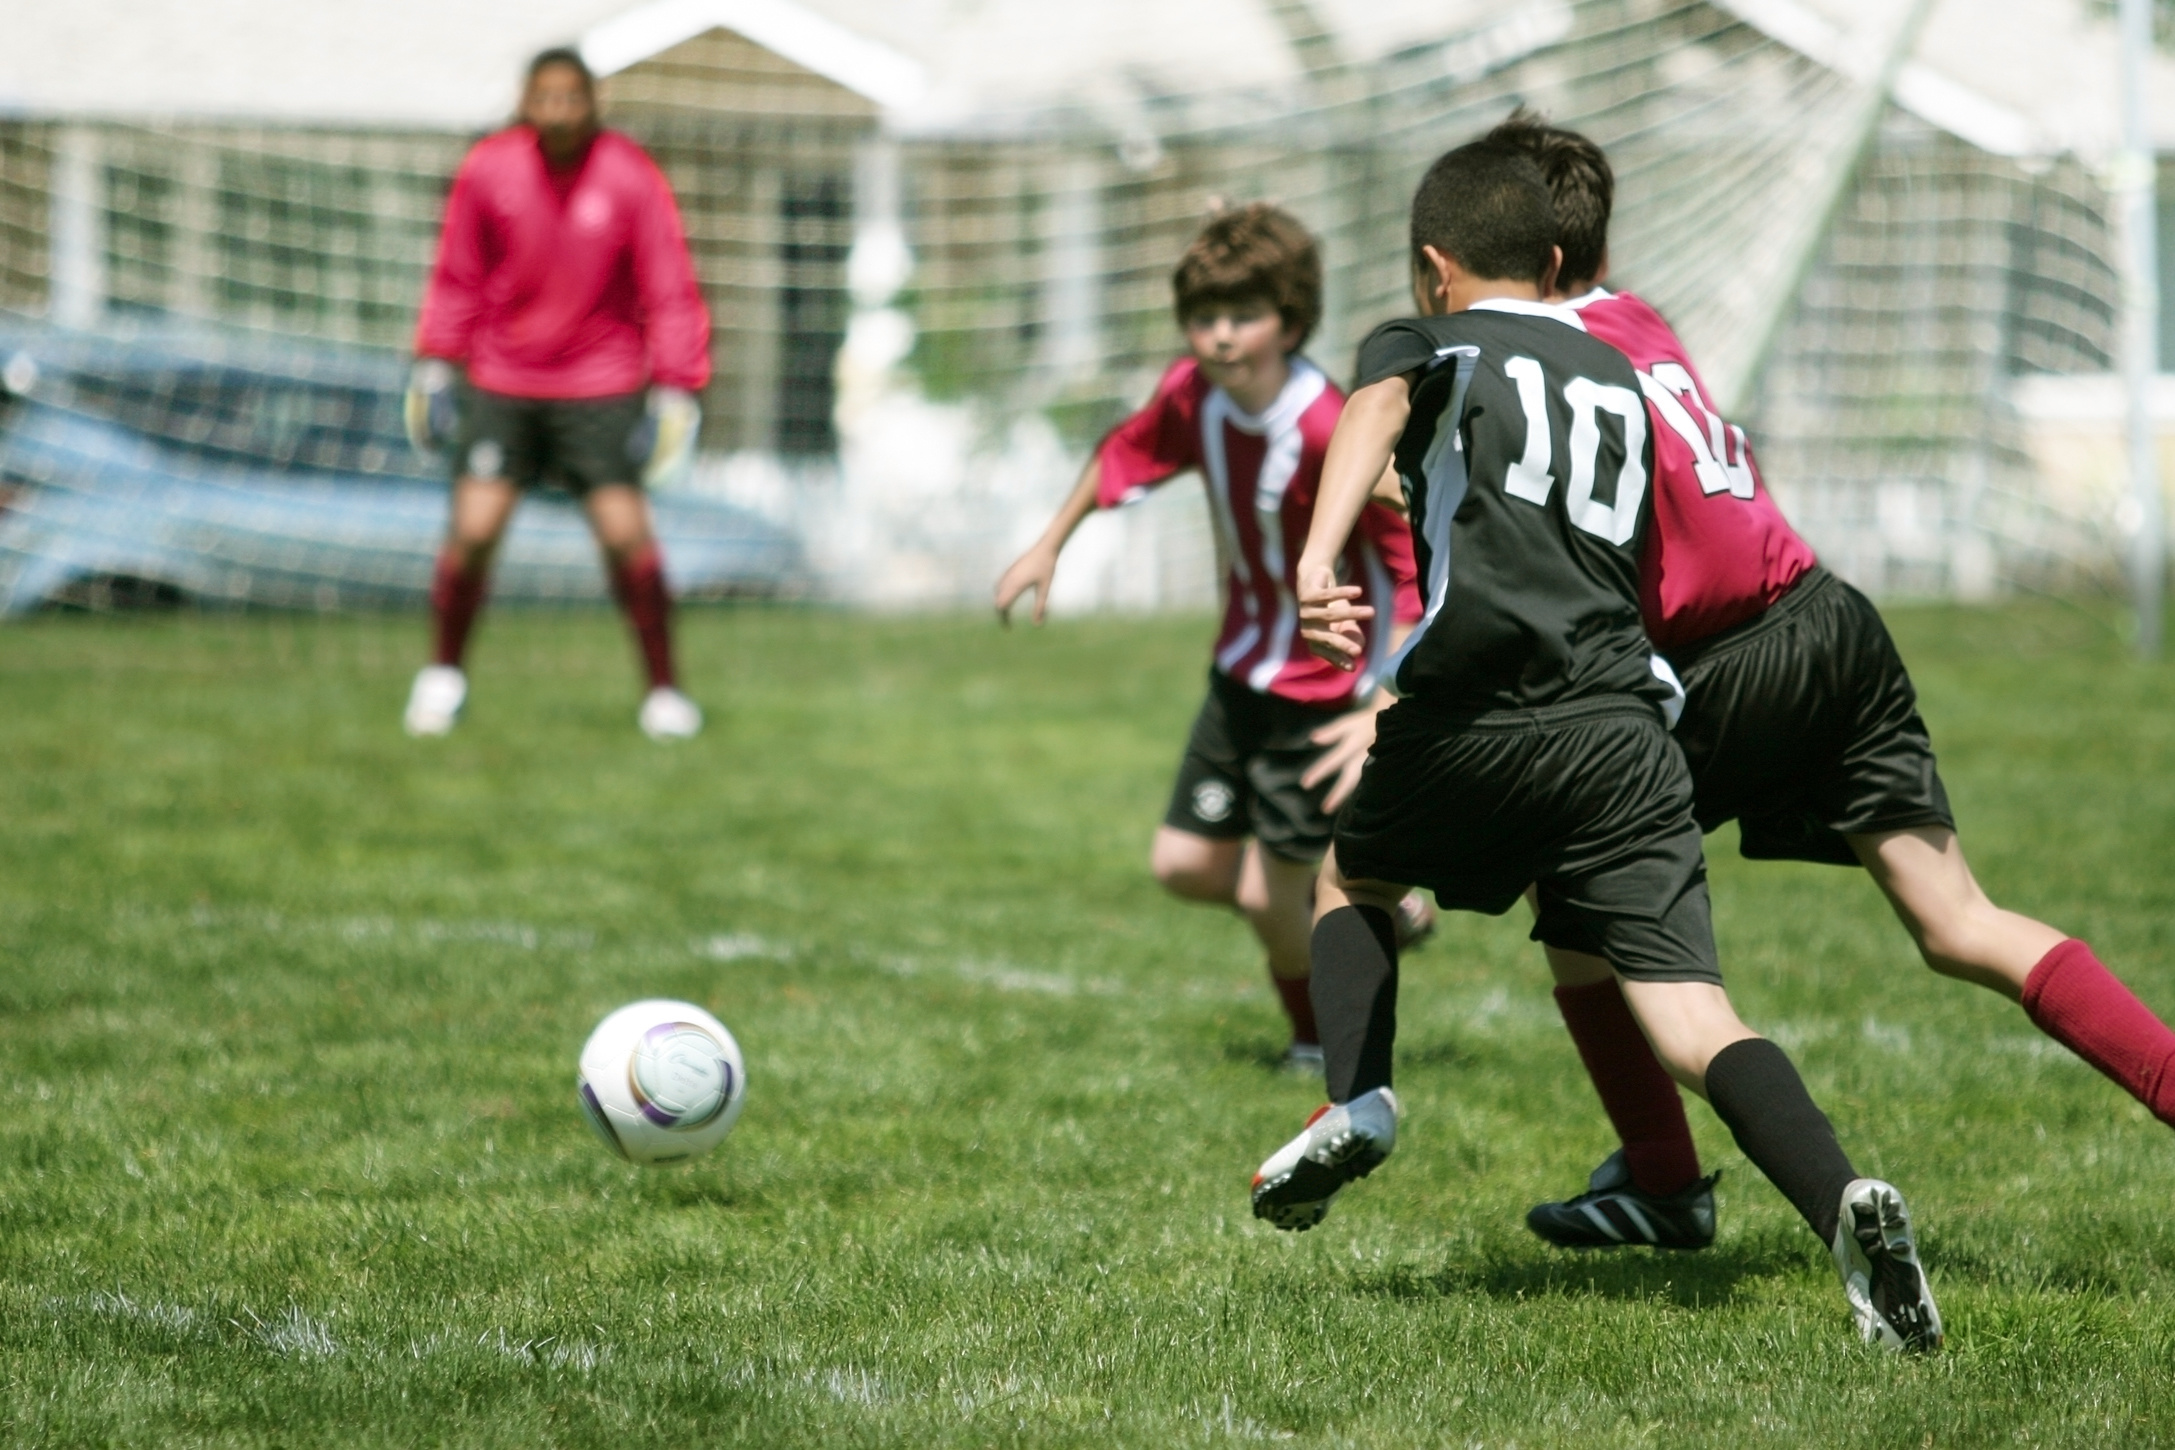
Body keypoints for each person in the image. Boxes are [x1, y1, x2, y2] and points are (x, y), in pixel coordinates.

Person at [1247, 140, 1941, 1353]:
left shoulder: (1427, 342)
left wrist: (1318, 556)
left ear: (1432, 269)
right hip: (1625, 727)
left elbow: (1374, 410)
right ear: (1560, 260)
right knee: (1692, 1017)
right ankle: (1842, 1202)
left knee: (1350, 876)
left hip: (1473, 712)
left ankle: (1356, 1098)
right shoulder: (1617, 369)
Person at [1484, 111, 2175, 1254]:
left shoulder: (1539, 373)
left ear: (1535, 266)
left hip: (1726, 662)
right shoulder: (1637, 312)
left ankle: (1662, 1175)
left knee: (1573, 890)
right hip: (1832, 617)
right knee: (1959, 921)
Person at [994, 204, 1431, 1074]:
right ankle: (1369, 910)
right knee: (1184, 864)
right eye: (1204, 318)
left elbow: (1407, 561)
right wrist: (1049, 543)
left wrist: (1385, 691)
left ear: (1291, 320)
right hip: (1239, 673)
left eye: (1243, 316)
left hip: (1318, 691)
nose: (1221, 337)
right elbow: (1125, 450)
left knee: (1271, 898)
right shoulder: (1192, 397)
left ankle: (1317, 1048)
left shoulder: (1326, 428)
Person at [402, 47, 711, 741]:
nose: (560, 111)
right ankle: (443, 677)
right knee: (474, 530)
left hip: (599, 385)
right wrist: (434, 363)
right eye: (547, 97)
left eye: (573, 97)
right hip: (501, 382)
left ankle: (663, 692)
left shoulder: (630, 176)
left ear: (593, 101)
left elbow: (669, 287)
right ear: (526, 100)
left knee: (626, 536)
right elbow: (457, 273)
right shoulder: (489, 169)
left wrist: (676, 386)